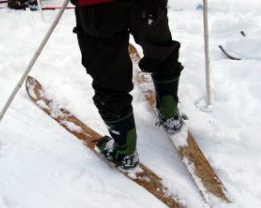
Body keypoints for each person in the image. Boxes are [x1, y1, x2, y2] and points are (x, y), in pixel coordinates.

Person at [71, 0, 184, 169]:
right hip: (146, 5)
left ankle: (125, 150)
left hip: (99, 8)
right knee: (159, 49)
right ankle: (169, 111)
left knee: (109, 75)